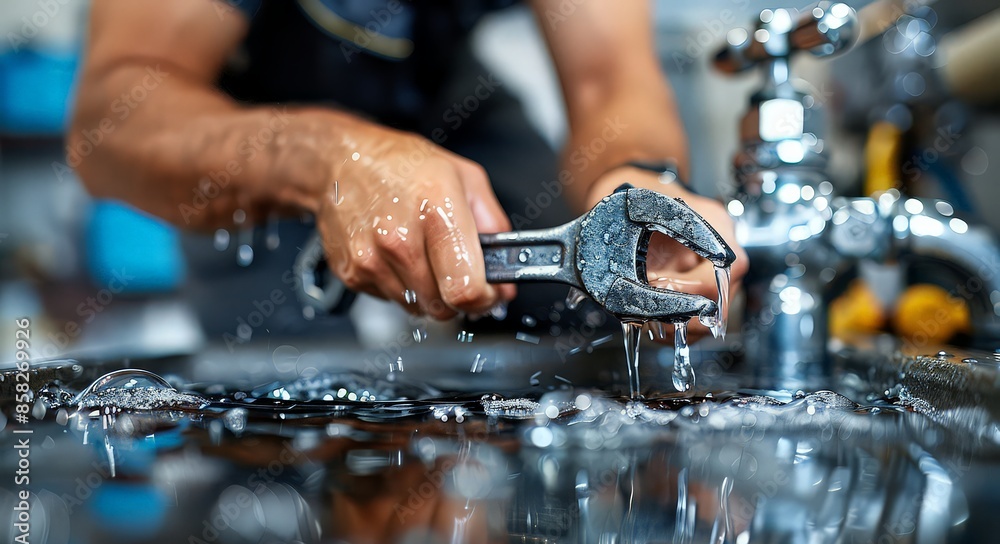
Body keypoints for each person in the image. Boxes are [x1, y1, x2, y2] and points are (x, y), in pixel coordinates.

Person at [68, 0, 747, 338]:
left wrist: (638, 181)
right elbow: (112, 119)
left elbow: (609, 78)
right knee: (282, 418)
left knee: (577, 330)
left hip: (447, 92)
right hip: (248, 122)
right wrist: (329, 157)